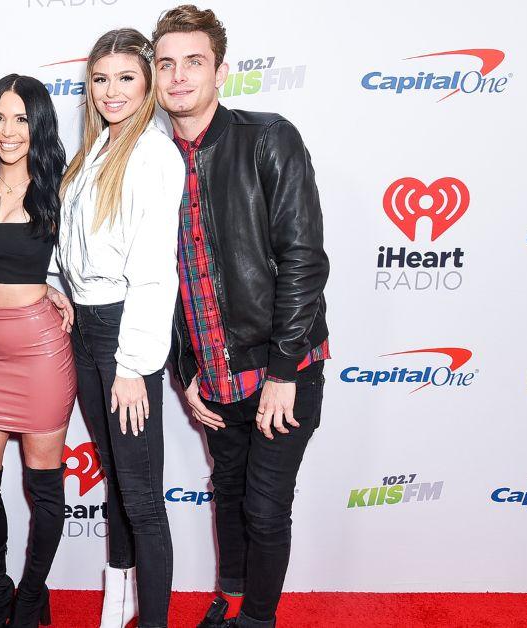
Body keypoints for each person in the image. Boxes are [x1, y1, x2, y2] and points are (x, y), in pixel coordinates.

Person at [153, 7, 331, 628]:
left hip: (282, 371)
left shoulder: (268, 137)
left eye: (193, 62)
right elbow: (162, 281)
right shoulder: (151, 162)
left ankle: (257, 620)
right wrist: (185, 370)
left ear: (220, 72)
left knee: (263, 508)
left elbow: (304, 259)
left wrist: (283, 371)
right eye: (166, 63)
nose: (178, 77)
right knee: (227, 496)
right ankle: (226, 604)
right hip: (214, 379)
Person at [56, 28, 185, 628]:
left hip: (120, 339)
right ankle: (116, 609)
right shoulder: (94, 152)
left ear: (149, 83)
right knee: (118, 487)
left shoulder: (152, 153)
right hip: (85, 332)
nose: (111, 91)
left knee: (141, 498)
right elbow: (74, 246)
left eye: (126, 78)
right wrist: (60, 289)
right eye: (101, 79)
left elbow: (156, 273)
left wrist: (133, 367)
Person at [0, 74, 75, 628]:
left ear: (39, 126)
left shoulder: (58, 187)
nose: (8, 131)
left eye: (21, 119)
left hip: (40, 354)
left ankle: (32, 593)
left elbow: (93, 259)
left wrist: (56, 289)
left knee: (43, 481)